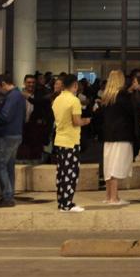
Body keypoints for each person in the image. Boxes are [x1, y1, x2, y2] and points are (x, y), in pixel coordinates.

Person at [96, 70, 135, 206]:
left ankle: (108, 196)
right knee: (116, 167)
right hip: (122, 135)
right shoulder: (123, 96)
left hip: (108, 136)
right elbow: (132, 115)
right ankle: (114, 198)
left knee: (108, 167)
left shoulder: (106, 97)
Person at [51, 74, 89, 212]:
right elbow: (76, 121)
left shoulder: (57, 99)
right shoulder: (74, 101)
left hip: (59, 139)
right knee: (71, 173)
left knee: (61, 173)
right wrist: (87, 121)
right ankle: (67, 204)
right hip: (71, 141)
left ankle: (62, 202)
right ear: (75, 85)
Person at [0, 73, 26, 208]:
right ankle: (8, 195)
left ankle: (7, 196)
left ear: (4, 84)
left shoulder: (12, 96)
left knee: (1, 166)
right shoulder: (19, 95)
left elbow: (5, 117)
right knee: (9, 166)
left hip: (7, 135)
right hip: (16, 134)